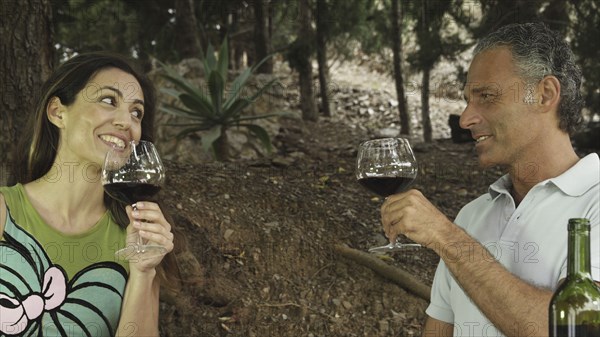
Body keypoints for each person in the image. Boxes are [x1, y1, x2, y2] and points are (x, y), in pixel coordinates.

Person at [380, 22, 599, 337]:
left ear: (545, 94)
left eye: (487, 96)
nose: (466, 118)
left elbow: (574, 331)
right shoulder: (472, 215)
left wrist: (446, 238)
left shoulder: (595, 203)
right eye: (469, 98)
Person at [0, 52, 193, 336]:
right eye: (108, 100)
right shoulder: (5, 212)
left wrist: (142, 272)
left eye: (136, 112)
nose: (126, 122)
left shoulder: (135, 236)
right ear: (57, 112)